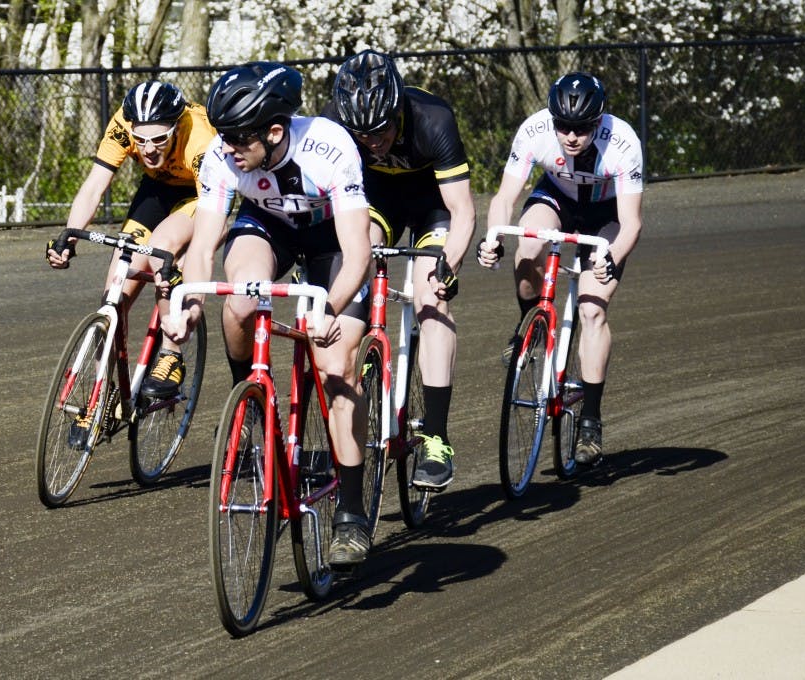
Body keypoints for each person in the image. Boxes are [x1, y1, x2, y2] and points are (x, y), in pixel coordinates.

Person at [160, 62, 375, 566]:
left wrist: (331, 310)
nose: (227, 146)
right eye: (224, 135)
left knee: (336, 366)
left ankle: (351, 508)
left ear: (275, 131)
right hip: (269, 225)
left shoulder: (329, 146)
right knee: (238, 301)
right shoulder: (222, 156)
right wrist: (189, 304)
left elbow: (358, 254)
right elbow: (205, 244)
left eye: (238, 137)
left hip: (330, 238)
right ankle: (251, 401)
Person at [323, 49, 475, 492]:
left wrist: (448, 265)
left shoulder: (433, 119)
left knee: (431, 299)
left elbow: (462, 212)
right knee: (356, 259)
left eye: (382, 129)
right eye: (362, 134)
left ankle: (437, 438)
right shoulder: (332, 121)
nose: (373, 141)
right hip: (378, 200)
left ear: (398, 109)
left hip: (434, 206)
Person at [478, 71, 644, 465]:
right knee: (528, 246)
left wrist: (611, 255)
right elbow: (505, 197)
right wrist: (492, 237)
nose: (571, 136)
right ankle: (531, 327)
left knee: (592, 309)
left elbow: (632, 222)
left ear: (598, 121)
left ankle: (590, 420)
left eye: (582, 128)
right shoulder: (534, 130)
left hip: (606, 214)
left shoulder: (622, 143)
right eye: (563, 127)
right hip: (558, 197)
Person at [46, 79, 216, 400]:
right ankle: (101, 396)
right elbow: (95, 185)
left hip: (201, 194)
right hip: (157, 189)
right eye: (140, 139)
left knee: (163, 248)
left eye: (159, 139)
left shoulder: (201, 140)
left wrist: (179, 266)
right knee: (114, 292)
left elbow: (212, 216)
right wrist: (68, 238)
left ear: (177, 128)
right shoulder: (123, 122)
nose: (148, 149)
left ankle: (170, 353)